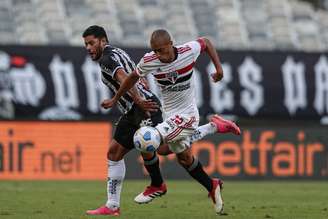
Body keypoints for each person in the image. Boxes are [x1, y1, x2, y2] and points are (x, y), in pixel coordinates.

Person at [83, 26, 240, 216]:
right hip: (139, 110)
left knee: (154, 144)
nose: (88, 47)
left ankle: (158, 184)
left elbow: (124, 76)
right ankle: (112, 205)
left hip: (148, 108)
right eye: (86, 44)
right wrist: (120, 99)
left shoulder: (109, 59)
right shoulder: (137, 57)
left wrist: (219, 69)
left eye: (91, 43)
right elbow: (133, 75)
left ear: (102, 41)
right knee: (119, 153)